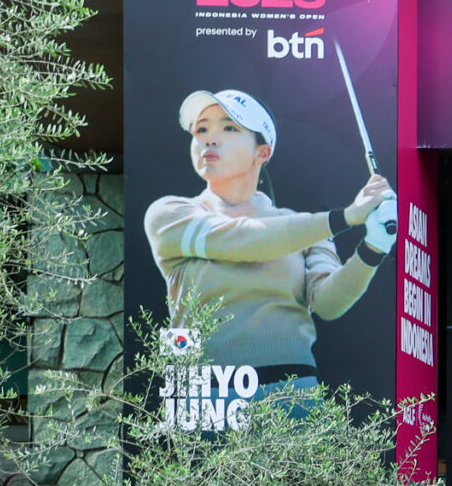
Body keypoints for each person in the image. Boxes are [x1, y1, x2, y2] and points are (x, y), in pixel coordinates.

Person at [143, 91, 395, 390]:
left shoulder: (307, 230)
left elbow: (328, 303)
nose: (209, 139)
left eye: (229, 128)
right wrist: (345, 217)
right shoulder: (169, 213)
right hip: (201, 391)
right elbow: (244, 239)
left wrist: (373, 249)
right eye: (201, 129)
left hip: (291, 390)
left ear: (261, 153)